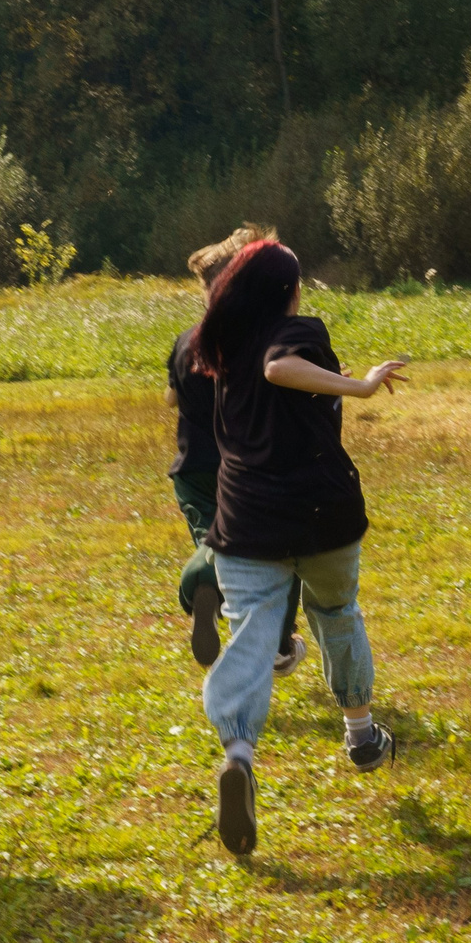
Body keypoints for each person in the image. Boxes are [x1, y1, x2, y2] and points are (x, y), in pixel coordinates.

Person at [194, 239, 407, 856]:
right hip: (320, 514)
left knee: (254, 632)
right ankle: (362, 735)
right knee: (336, 613)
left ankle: (239, 754)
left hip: (248, 519)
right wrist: (360, 386)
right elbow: (279, 369)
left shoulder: (221, 339)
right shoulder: (296, 332)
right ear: (287, 291)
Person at [171, 226, 303, 675]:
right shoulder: (254, 342)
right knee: (271, 552)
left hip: (192, 468)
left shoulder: (188, 341)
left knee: (216, 545)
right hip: (242, 468)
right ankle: (280, 643)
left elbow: (171, 398)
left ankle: (203, 587)